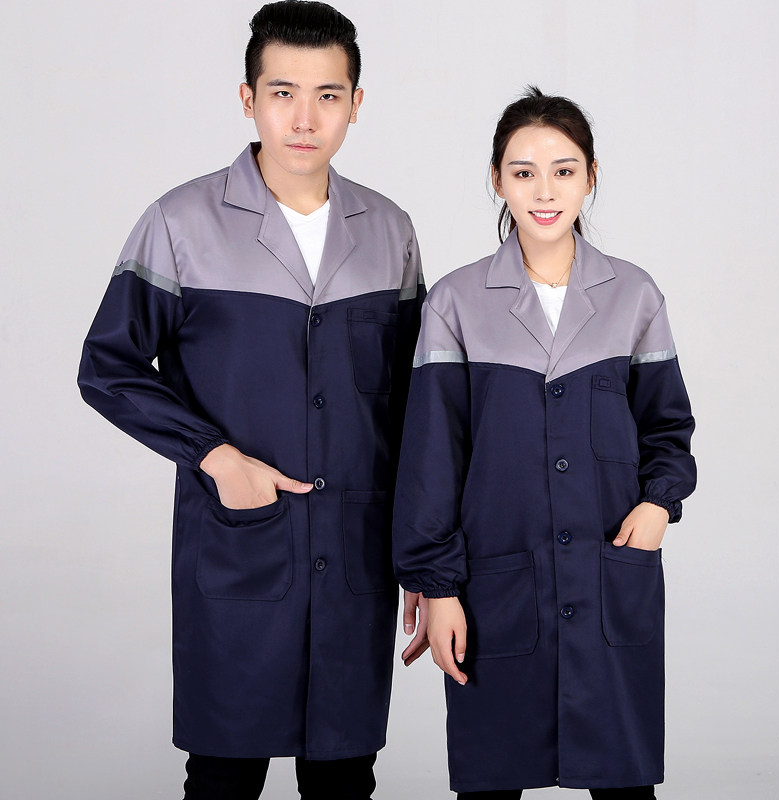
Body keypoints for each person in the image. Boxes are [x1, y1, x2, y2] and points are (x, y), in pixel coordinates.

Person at [78, 2, 428, 798]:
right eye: (282, 92)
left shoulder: (391, 232)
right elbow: (108, 365)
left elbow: (417, 407)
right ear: (248, 99)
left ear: (355, 103)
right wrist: (215, 456)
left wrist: (423, 549)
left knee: (345, 776)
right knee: (224, 774)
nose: (304, 118)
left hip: (356, 552)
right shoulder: (180, 223)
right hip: (239, 545)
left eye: (328, 95)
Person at [393, 87, 697, 799]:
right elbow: (432, 457)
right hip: (497, 585)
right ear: (497, 180)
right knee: (491, 780)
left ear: (591, 176)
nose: (545, 190)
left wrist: (659, 504)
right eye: (523, 172)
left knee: (623, 781)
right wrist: (437, 587)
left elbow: (667, 427)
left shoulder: (635, 296)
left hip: (607, 575)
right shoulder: (455, 302)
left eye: (563, 170)